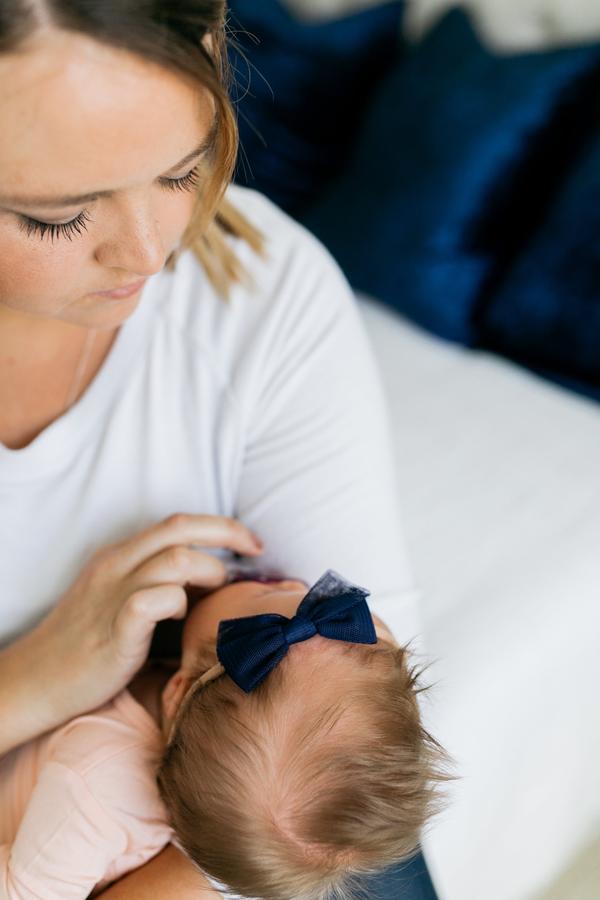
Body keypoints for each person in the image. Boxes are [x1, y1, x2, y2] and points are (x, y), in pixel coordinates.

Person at [0, 2, 440, 897]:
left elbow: (340, 712)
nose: (153, 254)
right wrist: (35, 681)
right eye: (58, 217)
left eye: (183, 170)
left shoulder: (258, 291)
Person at [0, 569, 449, 899]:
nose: (294, 580)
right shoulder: (218, 770)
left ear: (177, 692)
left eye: (266, 593)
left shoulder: (96, 786)